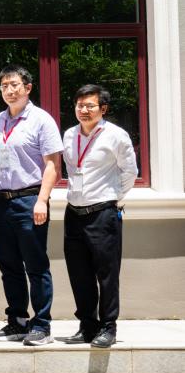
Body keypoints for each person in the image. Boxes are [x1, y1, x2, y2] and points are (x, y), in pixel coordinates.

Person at [0, 65, 62, 346]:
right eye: (4, 86)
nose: (9, 90)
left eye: (14, 85)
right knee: (9, 266)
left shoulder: (41, 120)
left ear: (27, 88)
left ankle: (41, 325)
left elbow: (53, 165)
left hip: (29, 200)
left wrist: (42, 200)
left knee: (36, 265)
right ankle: (17, 321)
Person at [59, 84, 137, 349]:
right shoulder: (69, 134)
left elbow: (129, 172)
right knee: (79, 273)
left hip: (102, 213)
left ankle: (108, 327)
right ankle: (87, 325)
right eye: (79, 105)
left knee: (107, 274)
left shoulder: (116, 135)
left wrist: (111, 197)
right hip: (73, 212)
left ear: (103, 108)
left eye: (89, 106)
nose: (83, 110)